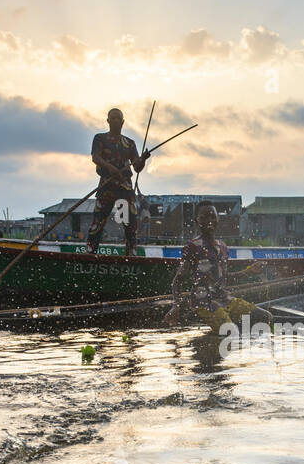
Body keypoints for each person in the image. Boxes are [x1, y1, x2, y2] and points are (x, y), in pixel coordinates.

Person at [164, 202, 273, 331]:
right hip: (203, 302)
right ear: (197, 221)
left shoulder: (222, 247)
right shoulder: (192, 247)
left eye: (212, 217)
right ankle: (212, 345)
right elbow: (178, 279)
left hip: (224, 299)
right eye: (204, 217)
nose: (209, 221)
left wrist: (249, 271)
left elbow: (223, 279)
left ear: (218, 219)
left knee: (266, 318)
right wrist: (176, 305)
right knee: (231, 332)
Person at [87, 108, 150, 254]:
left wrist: (143, 160)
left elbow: (137, 167)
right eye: (112, 118)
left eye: (118, 119)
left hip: (124, 189)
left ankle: (131, 253)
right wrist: (110, 168)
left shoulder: (129, 143)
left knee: (129, 223)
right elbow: (96, 157)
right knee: (98, 221)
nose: (115, 121)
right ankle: (90, 251)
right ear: (108, 121)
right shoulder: (100, 138)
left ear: (122, 122)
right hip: (106, 186)